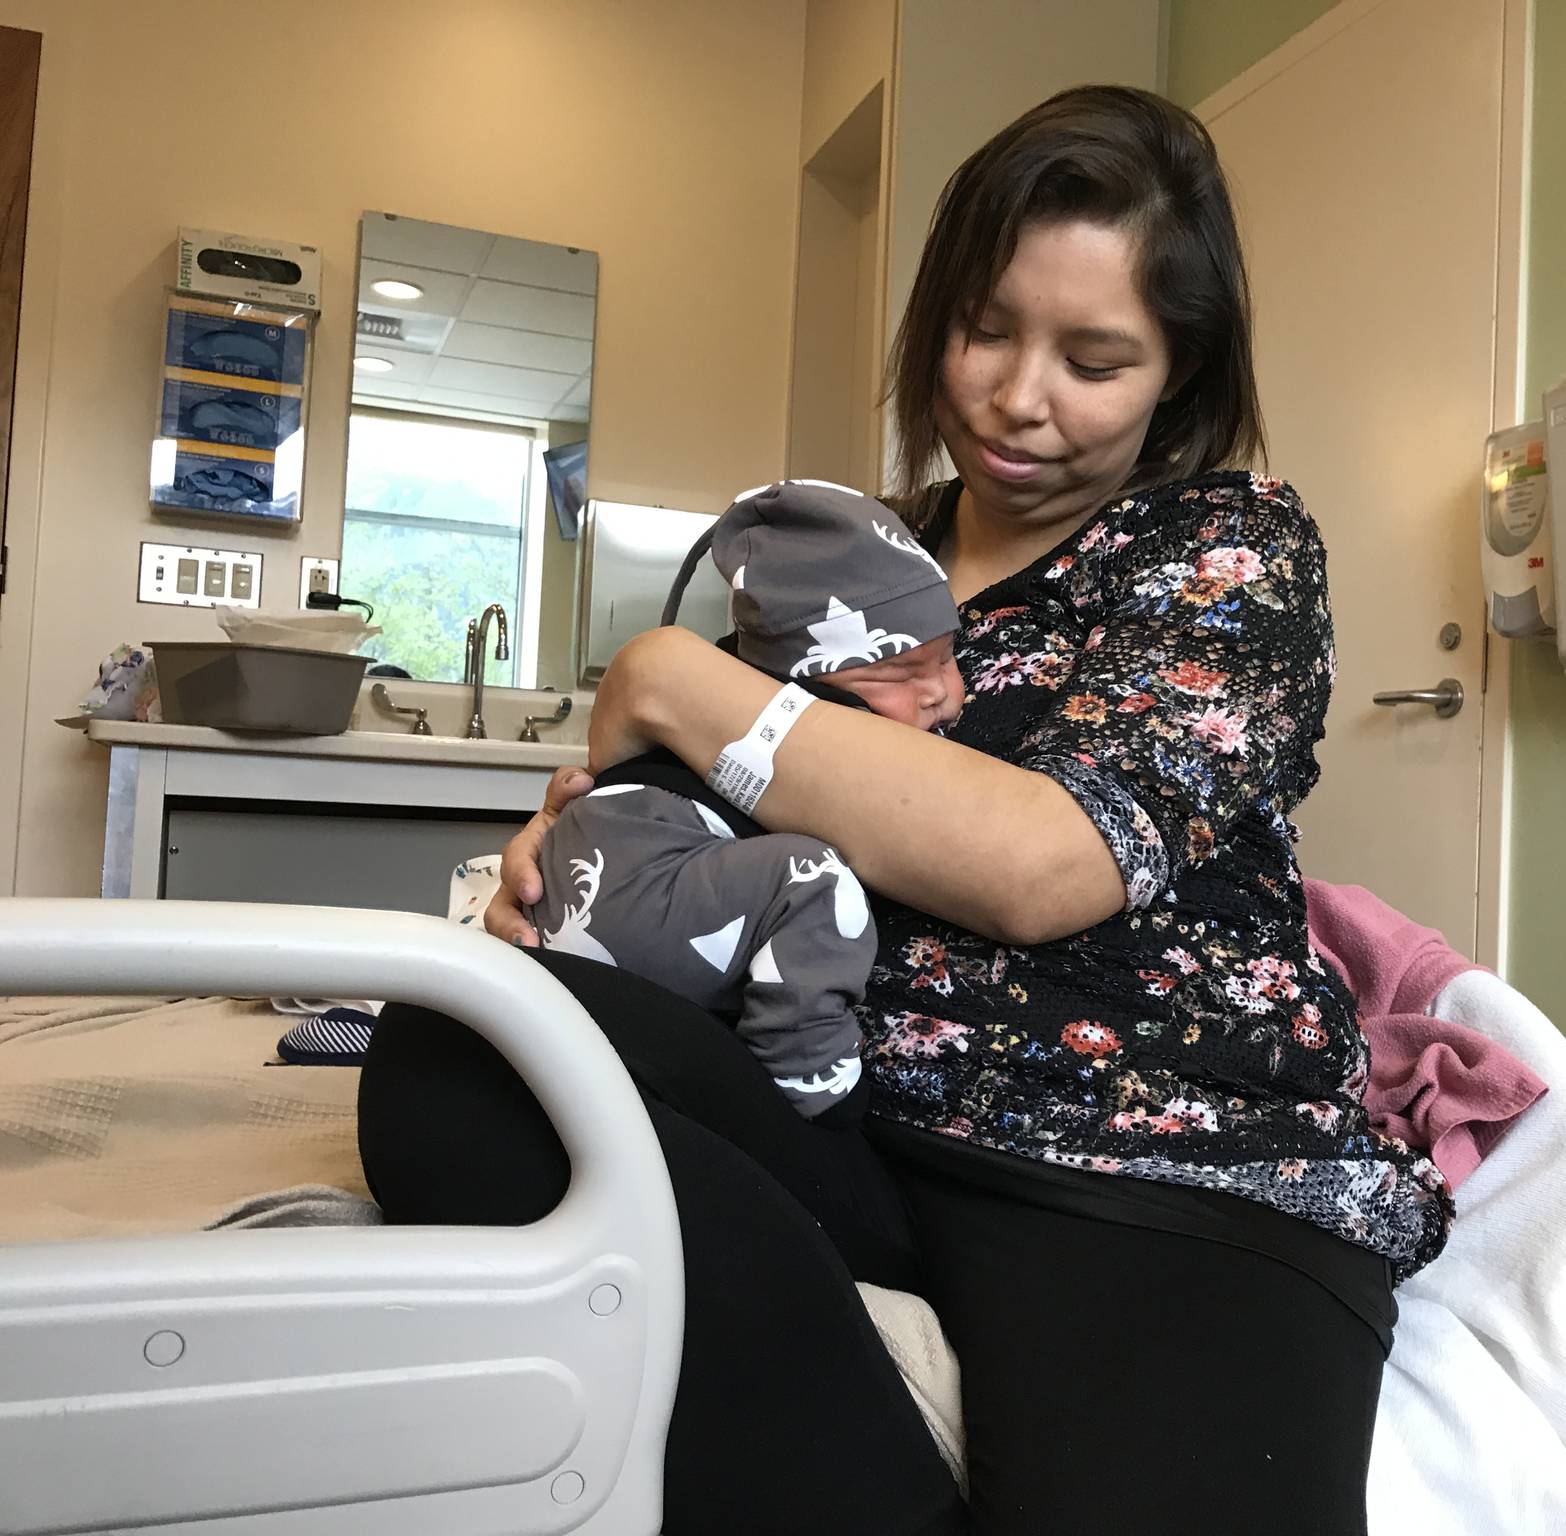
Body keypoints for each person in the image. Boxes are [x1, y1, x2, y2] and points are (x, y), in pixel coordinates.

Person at [359, 84, 1449, 1536]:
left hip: (1145, 1153)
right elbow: (721, 806)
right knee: (463, 1044)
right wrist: (569, 870)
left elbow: (1047, 859)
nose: (1017, 397)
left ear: (1178, 377)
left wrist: (677, 680)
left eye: (1096, 359)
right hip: (845, 1111)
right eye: (987, 329)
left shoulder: (1227, 555)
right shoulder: (859, 557)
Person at [526, 479, 964, 1126]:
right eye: (899, 672)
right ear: (798, 684)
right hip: (641, 888)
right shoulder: (795, 716)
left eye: (950, 659)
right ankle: (812, 1094)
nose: (948, 695)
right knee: (815, 884)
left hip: (588, 908)